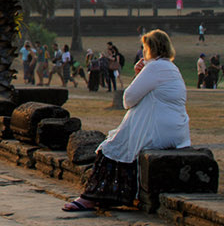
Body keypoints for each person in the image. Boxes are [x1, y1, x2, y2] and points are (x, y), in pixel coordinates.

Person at [64, 29, 190, 212]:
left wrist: (140, 74)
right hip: (176, 132)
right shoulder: (172, 68)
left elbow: (128, 99)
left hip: (157, 132)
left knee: (110, 147)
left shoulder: (155, 67)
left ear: (151, 49)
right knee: (119, 141)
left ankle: (91, 197)